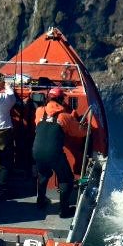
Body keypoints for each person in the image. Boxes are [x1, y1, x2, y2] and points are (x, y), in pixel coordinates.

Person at [32, 87, 83, 218]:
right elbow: (79, 133)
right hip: (54, 153)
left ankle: (40, 202)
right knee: (66, 179)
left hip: (37, 150)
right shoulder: (64, 117)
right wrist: (76, 120)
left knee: (43, 174)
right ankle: (64, 211)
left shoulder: (39, 112)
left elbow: (38, 124)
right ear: (61, 100)